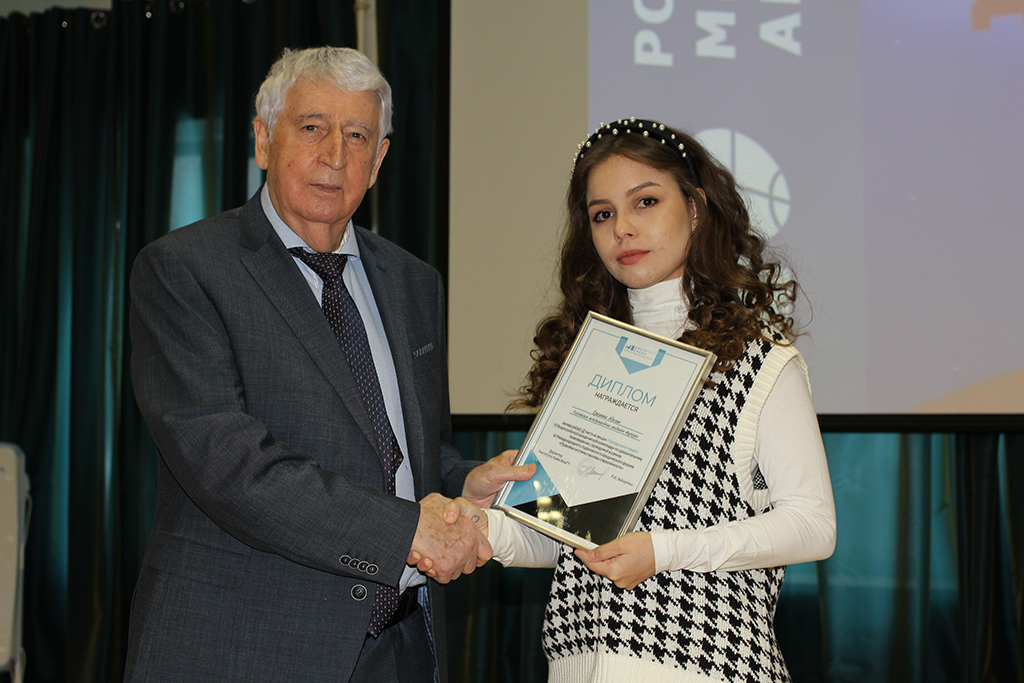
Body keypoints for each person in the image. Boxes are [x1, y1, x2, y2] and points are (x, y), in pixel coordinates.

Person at [124, 47, 530, 683]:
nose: (335, 155)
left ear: (380, 159)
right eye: (312, 127)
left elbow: (404, 450)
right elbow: (228, 464)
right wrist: (406, 534)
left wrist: (464, 481)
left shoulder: (414, 282)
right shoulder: (184, 269)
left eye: (357, 136)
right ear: (263, 140)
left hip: (404, 646)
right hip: (245, 648)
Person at [438, 118, 837, 681]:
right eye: (602, 214)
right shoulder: (589, 359)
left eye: (645, 202)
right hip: (576, 664)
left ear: (695, 208)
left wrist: (664, 551)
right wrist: (474, 525)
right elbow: (564, 532)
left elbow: (813, 525)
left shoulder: (758, 362)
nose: (622, 228)